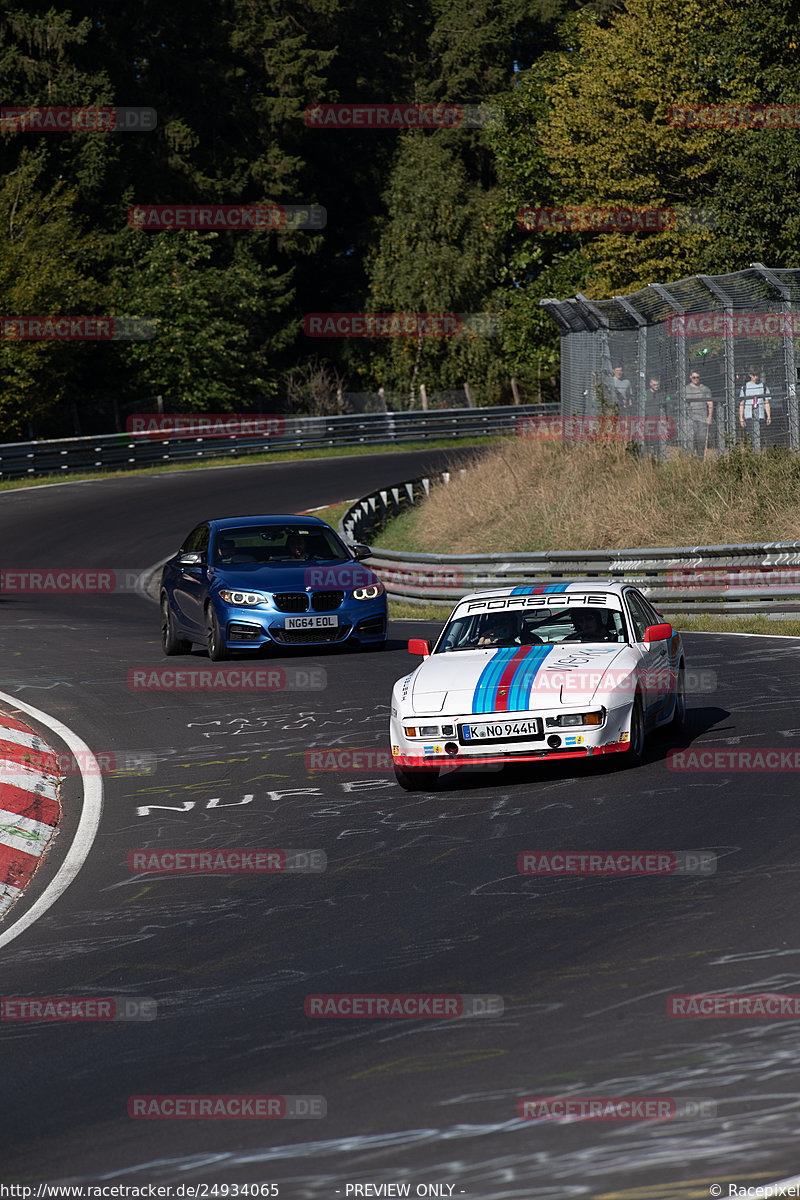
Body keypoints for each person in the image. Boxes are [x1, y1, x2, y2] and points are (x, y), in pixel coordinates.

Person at [738, 365, 771, 449]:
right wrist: (741, 418)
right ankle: (754, 451)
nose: (756, 377)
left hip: (760, 416)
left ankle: (759, 452)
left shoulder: (763, 386)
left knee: (760, 436)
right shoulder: (745, 387)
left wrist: (768, 416)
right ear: (750, 375)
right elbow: (742, 403)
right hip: (749, 416)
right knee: (752, 436)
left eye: (757, 375)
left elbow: (766, 402)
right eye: (754, 375)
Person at [686, 370, 713, 458]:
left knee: (701, 440)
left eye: (697, 377)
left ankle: (700, 458)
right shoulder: (686, 389)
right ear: (690, 377)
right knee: (690, 440)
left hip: (702, 418)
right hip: (691, 418)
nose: (696, 379)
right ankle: (690, 458)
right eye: (694, 377)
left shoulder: (705, 389)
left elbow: (710, 403)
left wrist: (709, 417)